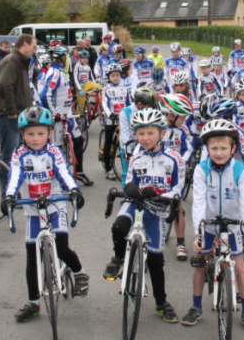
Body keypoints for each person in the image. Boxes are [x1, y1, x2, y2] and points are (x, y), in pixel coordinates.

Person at [2, 106, 88, 322]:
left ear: (50, 133)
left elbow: (64, 174)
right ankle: (34, 302)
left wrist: (74, 190)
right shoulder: (19, 154)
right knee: (32, 257)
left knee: (61, 248)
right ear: (22, 134)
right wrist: (9, 195)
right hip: (32, 211)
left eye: (40, 133)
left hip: (55, 207)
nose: (35, 138)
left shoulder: (55, 152)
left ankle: (79, 272)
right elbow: (14, 177)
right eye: (30, 134)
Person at [103, 108, 183, 323]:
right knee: (118, 227)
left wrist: (160, 193)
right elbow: (130, 178)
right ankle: (119, 257)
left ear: (162, 133)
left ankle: (161, 302)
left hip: (157, 209)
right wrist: (130, 186)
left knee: (156, 261)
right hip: (136, 203)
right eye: (140, 133)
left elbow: (179, 189)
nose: (145, 138)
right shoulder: (136, 154)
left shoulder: (174, 158)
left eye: (150, 133)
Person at [181, 119, 244, 333]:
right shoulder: (201, 170)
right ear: (206, 148)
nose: (218, 152)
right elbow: (198, 202)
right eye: (213, 148)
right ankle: (196, 306)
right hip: (208, 224)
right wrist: (198, 233)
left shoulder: (240, 170)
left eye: (223, 148)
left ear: (233, 148)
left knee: (240, 266)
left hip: (233, 226)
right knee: (200, 263)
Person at [39, 46, 94, 186]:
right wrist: (53, 114)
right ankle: (57, 176)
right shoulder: (55, 73)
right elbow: (45, 95)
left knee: (79, 140)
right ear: (62, 59)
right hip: (59, 118)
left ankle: (79, 171)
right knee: (57, 148)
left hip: (68, 115)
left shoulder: (59, 72)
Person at [0, 34, 38, 196]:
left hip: (19, 116)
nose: (35, 51)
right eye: (33, 47)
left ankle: (15, 190)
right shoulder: (12, 61)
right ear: (24, 44)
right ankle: (7, 196)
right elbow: (4, 87)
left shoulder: (21, 62)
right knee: (9, 157)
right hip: (9, 117)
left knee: (18, 156)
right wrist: (11, 112)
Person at [159, 94, 194, 261]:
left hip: (175, 172)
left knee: (177, 206)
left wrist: (182, 161)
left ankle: (181, 243)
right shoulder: (158, 127)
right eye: (183, 117)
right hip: (158, 172)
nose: (185, 120)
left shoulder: (184, 130)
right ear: (170, 115)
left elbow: (188, 149)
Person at [119, 87, 159, 189]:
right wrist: (127, 151)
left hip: (144, 145)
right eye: (148, 107)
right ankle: (127, 195)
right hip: (129, 145)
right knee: (127, 173)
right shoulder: (125, 112)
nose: (150, 110)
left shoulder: (149, 112)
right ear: (140, 104)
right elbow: (124, 133)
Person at [100, 63, 131, 180]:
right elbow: (104, 103)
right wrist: (109, 114)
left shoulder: (125, 88)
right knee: (109, 144)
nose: (115, 77)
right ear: (108, 77)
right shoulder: (106, 89)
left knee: (125, 142)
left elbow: (129, 103)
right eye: (113, 75)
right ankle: (108, 169)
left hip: (122, 120)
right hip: (111, 120)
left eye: (117, 75)